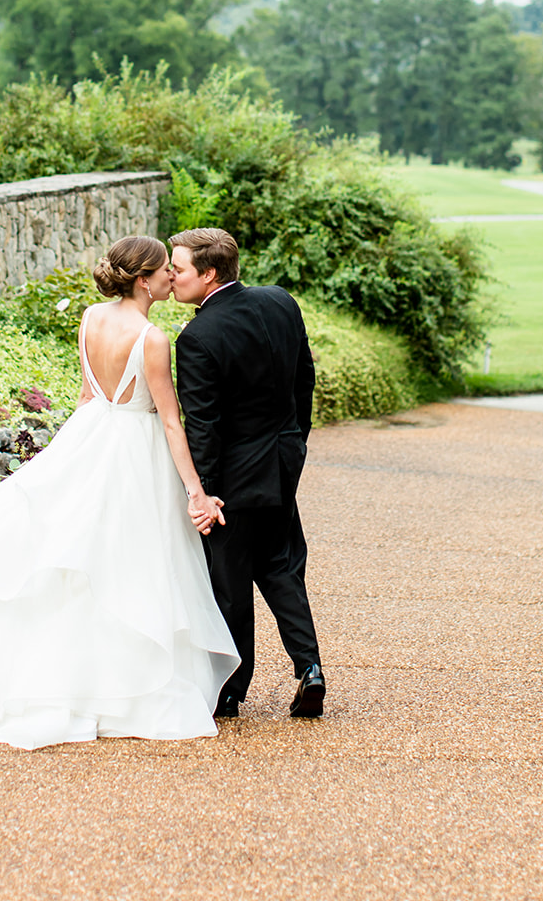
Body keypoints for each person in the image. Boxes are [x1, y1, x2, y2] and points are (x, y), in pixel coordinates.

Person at [0, 235, 239, 749]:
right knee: (130, 564)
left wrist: (66, 458)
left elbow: (87, 396)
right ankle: (118, 686)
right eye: (164, 272)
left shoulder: (90, 317)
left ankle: (63, 679)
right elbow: (172, 424)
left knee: (74, 560)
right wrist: (196, 492)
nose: (172, 278)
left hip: (89, 437)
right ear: (144, 280)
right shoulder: (152, 339)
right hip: (136, 452)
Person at [170, 226, 325, 720]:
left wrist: (205, 493)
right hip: (282, 462)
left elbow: (205, 425)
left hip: (234, 477)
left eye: (179, 268)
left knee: (230, 580)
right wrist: (295, 438)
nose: (171, 276)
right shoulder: (281, 301)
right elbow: (305, 377)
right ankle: (310, 669)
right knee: (280, 566)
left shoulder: (197, 337)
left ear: (209, 274)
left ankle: (232, 692)